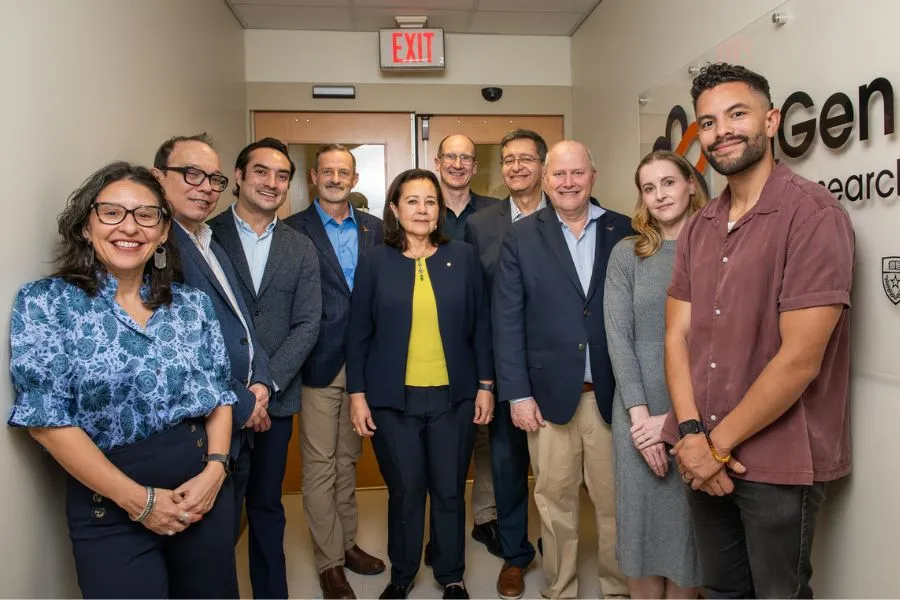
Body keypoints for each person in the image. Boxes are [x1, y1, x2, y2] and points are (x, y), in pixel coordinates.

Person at [665, 63, 855, 598]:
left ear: (771, 121)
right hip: (701, 445)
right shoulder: (700, 227)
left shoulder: (812, 215)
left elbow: (799, 359)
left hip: (777, 459)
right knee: (722, 592)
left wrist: (714, 447)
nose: (721, 130)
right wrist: (690, 435)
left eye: (737, 114)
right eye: (707, 122)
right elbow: (677, 338)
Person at [8, 162, 239, 598]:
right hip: (108, 508)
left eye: (146, 215)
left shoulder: (191, 305)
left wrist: (215, 469)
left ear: (164, 231)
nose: (129, 227)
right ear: (85, 225)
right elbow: (46, 421)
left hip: (202, 497)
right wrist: (141, 502)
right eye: (112, 212)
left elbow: (220, 393)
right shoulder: (46, 304)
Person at [346, 168, 494, 600]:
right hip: (393, 400)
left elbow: (481, 325)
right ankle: (404, 573)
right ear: (394, 208)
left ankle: (451, 574)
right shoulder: (374, 261)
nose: (422, 209)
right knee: (406, 490)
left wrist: (486, 384)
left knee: (448, 490)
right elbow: (358, 334)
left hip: (454, 397)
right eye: (412, 201)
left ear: (440, 210)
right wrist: (358, 396)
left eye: (430, 201)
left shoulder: (463, 256)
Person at [493, 140, 631, 599]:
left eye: (577, 173)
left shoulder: (624, 231)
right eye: (559, 174)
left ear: (593, 176)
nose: (568, 183)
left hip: (612, 396)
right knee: (555, 506)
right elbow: (507, 318)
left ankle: (616, 589)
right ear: (545, 179)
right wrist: (517, 394)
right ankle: (561, 589)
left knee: (615, 506)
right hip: (547, 397)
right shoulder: (521, 235)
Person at [208, 137, 322, 599]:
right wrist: (239, 391)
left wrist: (264, 386)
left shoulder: (301, 246)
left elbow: (309, 322)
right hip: (215, 401)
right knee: (217, 508)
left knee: (266, 504)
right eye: (261, 171)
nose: (271, 183)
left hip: (275, 401)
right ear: (238, 176)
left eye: (281, 176)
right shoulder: (204, 238)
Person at [153, 133, 275, 542]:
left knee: (222, 545)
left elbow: (242, 324)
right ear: (158, 177)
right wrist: (246, 401)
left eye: (213, 179)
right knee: (203, 551)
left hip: (238, 417)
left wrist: (261, 382)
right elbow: (179, 352)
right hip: (198, 430)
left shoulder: (208, 240)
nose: (205, 187)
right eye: (191, 175)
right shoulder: (157, 248)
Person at [603, 150, 708, 599]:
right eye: (649, 188)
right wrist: (642, 421)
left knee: (689, 530)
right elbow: (618, 338)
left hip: (697, 409)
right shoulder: (628, 254)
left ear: (690, 184)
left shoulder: (716, 250)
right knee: (640, 528)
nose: (660, 194)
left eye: (668, 182)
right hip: (636, 406)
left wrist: (671, 422)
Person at [284, 143, 385, 599]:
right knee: (321, 466)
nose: (335, 178)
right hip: (320, 362)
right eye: (327, 171)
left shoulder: (377, 229)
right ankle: (329, 564)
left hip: (367, 363)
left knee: (348, 461)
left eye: (343, 171)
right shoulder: (291, 231)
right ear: (313, 176)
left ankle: (347, 545)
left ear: (355, 179)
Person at [463, 128, 547, 599]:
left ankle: (559, 551)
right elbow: (479, 308)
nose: (516, 167)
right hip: (504, 366)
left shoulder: (565, 213)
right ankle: (515, 555)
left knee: (559, 475)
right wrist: (487, 379)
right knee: (507, 467)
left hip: (557, 369)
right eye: (509, 160)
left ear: (542, 165)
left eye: (526, 159)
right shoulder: (482, 224)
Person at [434, 133, 502, 560]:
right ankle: (442, 531)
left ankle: (486, 518)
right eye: (451, 156)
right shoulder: (420, 209)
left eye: (466, 157)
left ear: (475, 167)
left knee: (488, 435)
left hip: (486, 337)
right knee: (442, 439)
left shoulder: (496, 214)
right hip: (432, 344)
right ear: (438, 162)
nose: (458, 164)